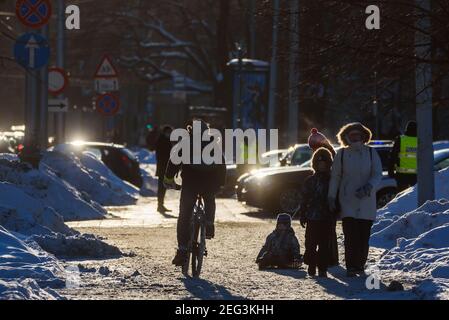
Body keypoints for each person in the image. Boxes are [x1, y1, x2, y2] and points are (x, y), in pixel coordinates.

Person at [164, 119, 226, 266]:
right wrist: (220, 184)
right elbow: (222, 165)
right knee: (210, 199)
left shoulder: (185, 144)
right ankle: (209, 224)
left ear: (191, 131)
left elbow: (173, 162)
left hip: (190, 183)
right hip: (208, 184)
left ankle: (182, 250)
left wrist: (168, 179)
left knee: (184, 215)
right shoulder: (213, 144)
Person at [328, 122, 383, 277]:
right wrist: (331, 196)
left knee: (363, 235)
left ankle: (359, 264)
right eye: (352, 135)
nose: (355, 137)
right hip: (347, 201)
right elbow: (335, 177)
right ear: (346, 137)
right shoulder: (342, 154)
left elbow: (378, 174)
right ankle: (351, 266)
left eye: (358, 135)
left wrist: (369, 186)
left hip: (366, 200)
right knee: (350, 235)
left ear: (364, 136)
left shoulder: (371, 153)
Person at [299, 148, 336, 278]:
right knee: (310, 244)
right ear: (315, 164)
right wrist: (303, 214)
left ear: (328, 164)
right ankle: (311, 264)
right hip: (312, 217)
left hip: (327, 218)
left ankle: (322, 268)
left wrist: (335, 211)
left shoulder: (332, 181)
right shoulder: (310, 181)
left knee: (324, 245)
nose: (322, 166)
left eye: (324, 163)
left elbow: (336, 198)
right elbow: (304, 199)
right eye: (319, 163)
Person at [307, 128, 339, 267]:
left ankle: (330, 259)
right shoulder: (327, 151)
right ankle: (329, 258)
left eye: (313, 147)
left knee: (327, 234)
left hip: (327, 201)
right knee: (326, 234)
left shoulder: (326, 155)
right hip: (321, 204)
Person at [388, 121, 418, 192]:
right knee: (415, 198)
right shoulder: (420, 140)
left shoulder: (400, 139)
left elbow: (392, 156)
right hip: (416, 176)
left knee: (402, 198)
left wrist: (391, 172)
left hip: (402, 176)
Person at [155, 125, 174, 213]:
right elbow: (163, 154)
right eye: (169, 132)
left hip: (164, 167)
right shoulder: (162, 140)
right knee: (162, 187)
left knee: (163, 187)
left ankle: (161, 204)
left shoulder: (164, 140)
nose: (169, 134)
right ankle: (160, 205)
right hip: (163, 167)